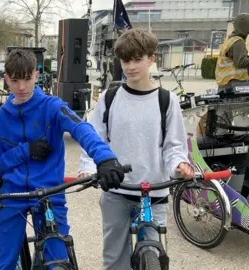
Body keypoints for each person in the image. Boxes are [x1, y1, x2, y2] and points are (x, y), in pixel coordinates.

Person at [0, 49, 126, 270]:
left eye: (26, 79)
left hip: (49, 193)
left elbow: (81, 128)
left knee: (58, 263)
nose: (21, 87)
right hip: (13, 195)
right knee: (2, 265)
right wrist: (25, 151)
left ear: (36, 75)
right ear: (6, 79)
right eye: (14, 81)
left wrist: (105, 158)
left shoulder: (52, 107)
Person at [77, 28, 194, 270]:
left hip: (154, 193)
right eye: (125, 60)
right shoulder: (110, 98)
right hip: (117, 191)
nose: (130, 66)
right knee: (115, 259)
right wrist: (88, 169)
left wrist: (179, 165)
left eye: (137, 59)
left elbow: (174, 146)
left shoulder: (166, 100)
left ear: (152, 59)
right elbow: (94, 139)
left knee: (155, 254)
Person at [216, 13, 249, 87]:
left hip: (226, 82)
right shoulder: (238, 41)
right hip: (235, 82)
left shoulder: (230, 39)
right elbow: (240, 62)